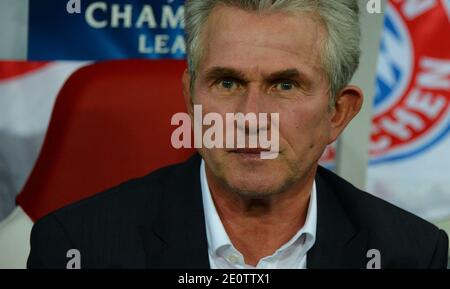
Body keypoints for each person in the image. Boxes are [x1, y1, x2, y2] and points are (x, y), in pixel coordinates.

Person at [28, 0, 448, 269]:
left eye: (285, 85)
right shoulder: (77, 247)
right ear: (190, 96)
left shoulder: (410, 253)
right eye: (227, 83)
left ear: (337, 112)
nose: (251, 117)